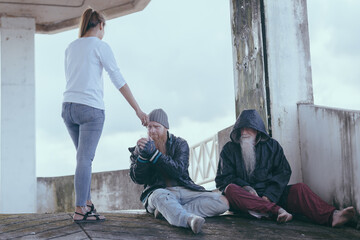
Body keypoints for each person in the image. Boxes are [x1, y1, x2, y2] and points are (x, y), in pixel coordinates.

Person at [62, 8, 148, 223]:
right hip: (90, 109)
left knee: (82, 159)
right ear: (100, 25)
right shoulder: (100, 46)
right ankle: (80, 209)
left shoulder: (71, 47)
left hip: (68, 108)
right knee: (85, 159)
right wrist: (137, 109)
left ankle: (87, 204)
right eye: (104, 29)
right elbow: (117, 78)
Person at [215, 109, 355, 226]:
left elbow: (283, 172)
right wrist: (247, 188)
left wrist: (269, 196)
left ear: (257, 130)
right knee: (230, 190)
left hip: (272, 197)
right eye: (241, 129)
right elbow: (223, 179)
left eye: (248, 128)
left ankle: (332, 216)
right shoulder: (229, 150)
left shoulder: (273, 146)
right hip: (246, 202)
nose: (244, 132)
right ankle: (276, 211)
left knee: (300, 188)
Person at [129, 109, 229, 234]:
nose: (152, 131)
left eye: (156, 127)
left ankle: (167, 212)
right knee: (160, 196)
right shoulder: (141, 148)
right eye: (149, 127)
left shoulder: (180, 144)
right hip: (159, 192)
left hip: (184, 190)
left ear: (166, 128)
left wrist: (155, 155)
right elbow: (137, 179)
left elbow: (178, 170)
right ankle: (188, 220)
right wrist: (142, 157)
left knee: (222, 202)